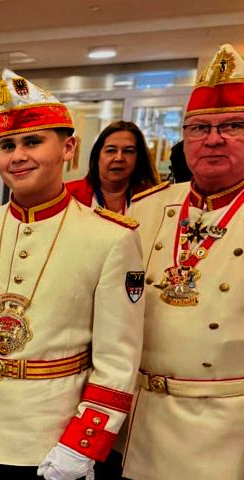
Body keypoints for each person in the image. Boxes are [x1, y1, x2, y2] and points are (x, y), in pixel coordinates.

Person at [0, 69, 144, 480]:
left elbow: (118, 361)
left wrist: (82, 444)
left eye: (32, 141)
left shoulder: (112, 238)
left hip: (53, 439)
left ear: (69, 147)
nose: (17, 156)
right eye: (7, 145)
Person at [122, 43, 244, 480]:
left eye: (233, 125)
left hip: (225, 425)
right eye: (198, 128)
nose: (213, 139)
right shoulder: (144, 208)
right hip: (139, 417)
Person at [66, 121, 161, 213]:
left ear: (138, 158)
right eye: (111, 150)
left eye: (128, 151)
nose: (119, 158)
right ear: (97, 156)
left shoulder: (152, 197)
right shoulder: (67, 195)